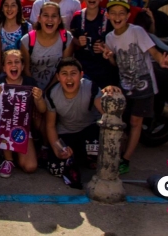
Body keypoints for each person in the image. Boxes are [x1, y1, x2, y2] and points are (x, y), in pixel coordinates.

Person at [102, 0, 168, 175]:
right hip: (124, 85)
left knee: (136, 121)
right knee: (123, 122)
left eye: (121, 13)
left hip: (144, 85)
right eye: (113, 13)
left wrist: (161, 61)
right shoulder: (109, 37)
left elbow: (153, 51)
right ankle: (118, 154)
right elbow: (115, 63)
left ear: (127, 15)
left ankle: (126, 158)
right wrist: (109, 56)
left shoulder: (137, 31)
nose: (117, 17)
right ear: (108, 15)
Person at [45, 58, 120, 189]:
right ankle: (76, 156)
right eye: (64, 73)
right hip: (66, 132)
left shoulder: (90, 87)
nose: (69, 78)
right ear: (58, 77)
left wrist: (109, 96)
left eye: (73, 73)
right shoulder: (52, 94)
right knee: (55, 166)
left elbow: (106, 114)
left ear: (81, 75)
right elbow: (50, 126)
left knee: (101, 154)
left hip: (89, 130)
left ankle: (85, 157)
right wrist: (58, 150)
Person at [0, 49, 47, 178]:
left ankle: (15, 151)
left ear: (22, 66)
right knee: (7, 120)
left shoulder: (30, 83)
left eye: (17, 62)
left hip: (22, 127)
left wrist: (39, 99)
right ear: (4, 68)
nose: (13, 65)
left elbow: (43, 110)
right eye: (9, 62)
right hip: (0, 125)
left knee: (30, 166)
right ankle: (8, 160)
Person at [70, 0, 117, 89]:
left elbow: (115, 39)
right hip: (83, 66)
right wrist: (79, 41)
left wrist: (104, 46)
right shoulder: (77, 16)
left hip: (104, 67)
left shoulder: (108, 17)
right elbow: (72, 38)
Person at [22, 2, 73, 91]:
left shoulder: (66, 38)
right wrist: (37, 93)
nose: (50, 19)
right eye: (46, 15)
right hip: (32, 88)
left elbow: (64, 69)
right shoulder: (27, 40)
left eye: (54, 16)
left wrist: (48, 91)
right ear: (39, 18)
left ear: (59, 20)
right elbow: (26, 71)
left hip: (58, 87)